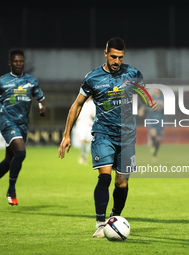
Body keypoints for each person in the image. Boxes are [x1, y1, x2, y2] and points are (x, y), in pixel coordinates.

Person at [58, 37, 158, 238]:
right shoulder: (93, 78)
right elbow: (77, 105)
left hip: (128, 136)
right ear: (105, 54)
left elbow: (142, 92)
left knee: (122, 183)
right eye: (113, 56)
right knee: (104, 177)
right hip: (103, 133)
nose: (116, 61)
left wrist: (149, 102)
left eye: (120, 57)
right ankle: (100, 222)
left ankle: (114, 218)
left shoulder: (132, 73)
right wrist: (66, 135)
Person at [0, 49, 46, 206]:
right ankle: (11, 189)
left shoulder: (31, 81)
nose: (18, 64)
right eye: (15, 61)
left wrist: (42, 106)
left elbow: (41, 98)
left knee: (9, 161)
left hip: (23, 124)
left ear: (24, 62)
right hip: (7, 122)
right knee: (21, 153)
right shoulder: (1, 81)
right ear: (10, 63)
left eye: (21, 61)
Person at [139, 88, 164, 159]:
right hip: (151, 117)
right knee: (153, 133)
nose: (154, 90)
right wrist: (141, 110)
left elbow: (167, 108)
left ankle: (155, 153)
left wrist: (163, 106)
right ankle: (153, 144)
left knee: (159, 138)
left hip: (160, 118)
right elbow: (143, 106)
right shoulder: (150, 98)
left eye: (155, 89)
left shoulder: (162, 98)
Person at [74, 96, 95, 164]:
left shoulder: (93, 104)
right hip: (81, 124)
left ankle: (85, 156)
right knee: (82, 140)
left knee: (87, 141)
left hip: (89, 124)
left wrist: (93, 116)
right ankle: (82, 156)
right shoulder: (80, 102)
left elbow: (96, 114)